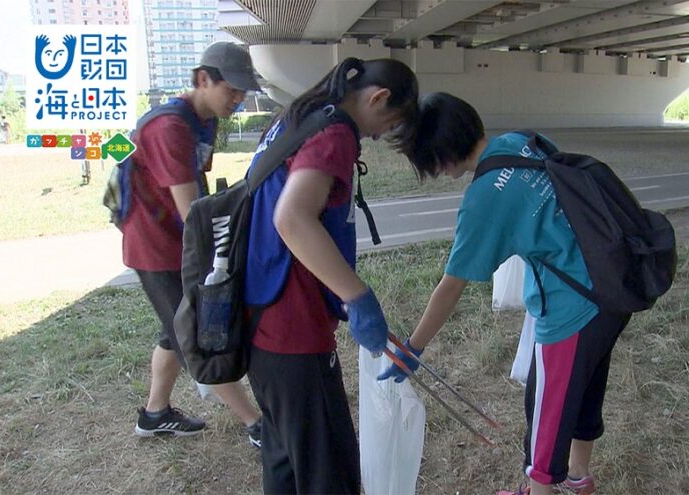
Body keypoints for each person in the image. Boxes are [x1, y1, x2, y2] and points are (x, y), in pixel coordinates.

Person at [378, 92, 631, 495]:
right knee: (585, 386)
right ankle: (578, 477)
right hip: (612, 283)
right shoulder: (522, 140)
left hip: (571, 307)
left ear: (440, 152)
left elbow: (451, 286)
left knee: (546, 409)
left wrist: (413, 348)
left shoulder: (483, 199)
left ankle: (544, 489)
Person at [245, 57, 418, 494]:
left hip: (257, 321)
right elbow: (293, 219)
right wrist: (358, 297)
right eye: (387, 121)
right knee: (330, 474)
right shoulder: (335, 132)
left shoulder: (298, 116)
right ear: (378, 97)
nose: (376, 135)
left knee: (286, 460)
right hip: (293, 328)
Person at [123, 42, 263, 446]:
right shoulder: (170, 128)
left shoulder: (204, 121)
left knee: (173, 331)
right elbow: (192, 214)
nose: (237, 100)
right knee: (195, 338)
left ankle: (154, 414)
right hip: (156, 249)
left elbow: (198, 190)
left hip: (175, 243)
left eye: (242, 92)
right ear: (203, 79)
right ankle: (256, 425)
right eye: (231, 91)